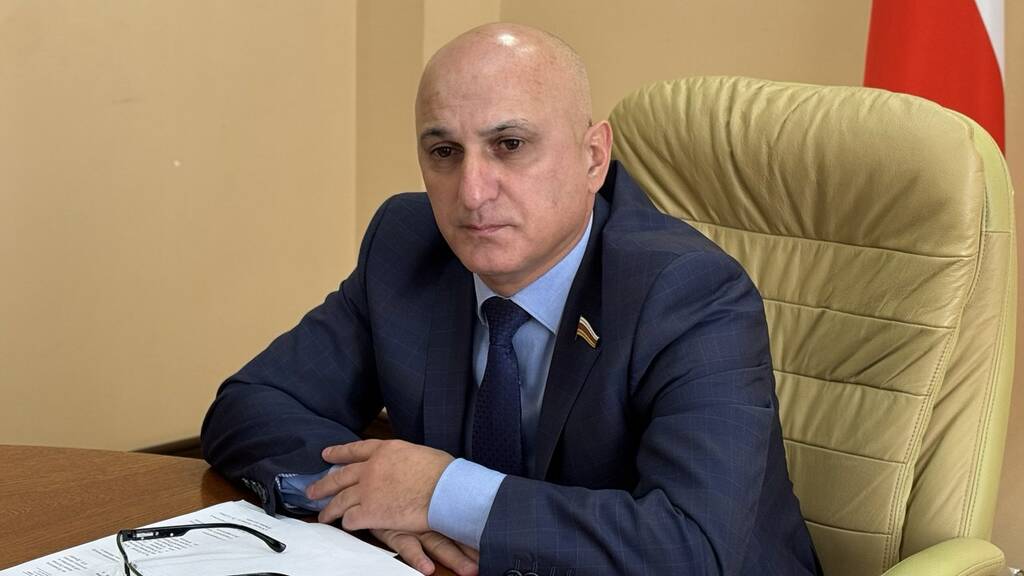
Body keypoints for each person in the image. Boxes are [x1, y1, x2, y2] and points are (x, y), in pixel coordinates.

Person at [201, 22, 821, 576]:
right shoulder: (406, 245)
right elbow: (249, 407)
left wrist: (443, 494)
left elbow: (691, 548)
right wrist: (374, 499)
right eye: (444, 152)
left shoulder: (691, 293)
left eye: (510, 145)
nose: (472, 193)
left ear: (593, 157)